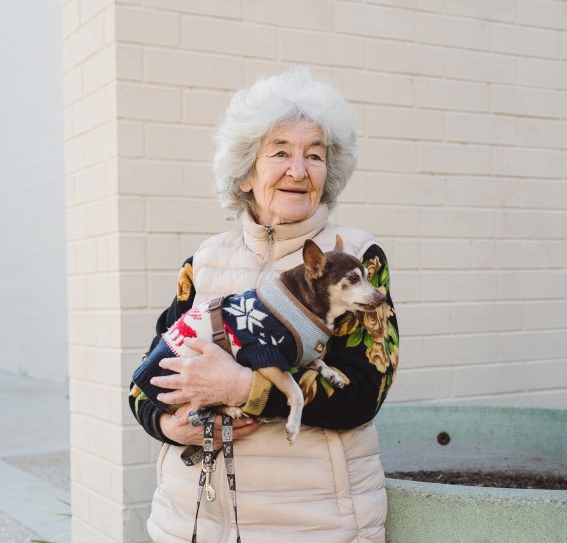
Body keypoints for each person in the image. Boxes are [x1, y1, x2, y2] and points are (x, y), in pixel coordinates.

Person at [129, 68, 399, 543]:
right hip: (193, 521)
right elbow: (144, 381)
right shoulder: (204, 262)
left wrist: (245, 386)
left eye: (314, 155)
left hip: (316, 527)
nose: (298, 170)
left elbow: (365, 391)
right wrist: (170, 425)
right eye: (280, 152)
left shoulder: (357, 259)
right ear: (246, 173)